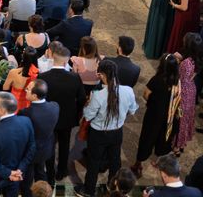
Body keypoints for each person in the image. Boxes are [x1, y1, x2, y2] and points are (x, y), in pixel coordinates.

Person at [74, 60, 138, 197]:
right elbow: (132, 110)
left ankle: (89, 191)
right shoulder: (128, 91)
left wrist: (88, 102)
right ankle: (113, 187)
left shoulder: (97, 95)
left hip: (98, 134)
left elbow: (88, 115)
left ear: (102, 75)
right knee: (115, 160)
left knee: (94, 162)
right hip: (117, 132)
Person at [39, 44, 85, 182]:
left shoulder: (43, 77)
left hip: (48, 118)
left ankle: (51, 172)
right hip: (67, 117)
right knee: (65, 145)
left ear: (52, 58)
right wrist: (77, 113)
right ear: (66, 62)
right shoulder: (75, 78)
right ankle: (62, 170)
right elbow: (82, 98)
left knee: (50, 145)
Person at [130, 53, 180, 178]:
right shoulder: (177, 82)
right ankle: (160, 163)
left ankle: (138, 165)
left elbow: (145, 94)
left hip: (154, 115)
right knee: (164, 139)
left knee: (147, 138)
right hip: (169, 117)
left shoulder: (156, 80)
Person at [0, 92, 35, 197]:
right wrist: (19, 170)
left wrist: (9, 173)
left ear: (3, 110)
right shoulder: (26, 121)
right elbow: (32, 148)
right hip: (17, 177)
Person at [20, 80, 59, 194]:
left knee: (27, 178)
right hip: (46, 149)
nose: (25, 90)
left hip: (30, 151)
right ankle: (43, 193)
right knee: (41, 172)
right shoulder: (55, 106)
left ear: (35, 96)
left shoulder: (25, 112)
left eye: (28, 89)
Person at [173, 32, 203, 154]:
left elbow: (179, 78)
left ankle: (176, 147)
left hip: (183, 91)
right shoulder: (198, 58)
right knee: (185, 119)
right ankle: (181, 144)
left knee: (179, 119)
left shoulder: (186, 63)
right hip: (191, 89)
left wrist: (176, 62)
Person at [3, 46, 39, 111]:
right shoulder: (38, 74)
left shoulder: (13, 72)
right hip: (29, 107)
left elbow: (5, 88)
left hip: (13, 105)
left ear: (23, 58)